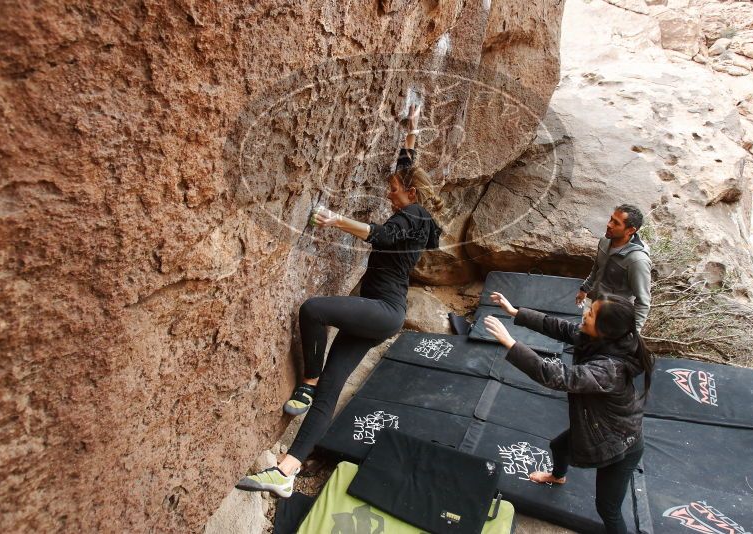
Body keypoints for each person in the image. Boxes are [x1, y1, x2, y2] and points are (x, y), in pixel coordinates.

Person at [235, 104, 443, 497]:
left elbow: (379, 235)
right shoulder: (414, 214)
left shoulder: (415, 216)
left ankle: (307, 381)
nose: (388, 192)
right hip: (378, 316)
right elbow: (408, 168)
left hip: (383, 312)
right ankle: (286, 471)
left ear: (411, 194)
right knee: (332, 392)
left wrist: (335, 220)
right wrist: (411, 132)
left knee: (314, 309)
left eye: (393, 189)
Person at [484, 291, 653, 534]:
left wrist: (511, 343)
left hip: (621, 444)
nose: (584, 314)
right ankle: (558, 476)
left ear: (605, 329)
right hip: (600, 426)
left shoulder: (610, 370)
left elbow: (557, 376)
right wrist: (515, 312)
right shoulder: (598, 337)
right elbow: (560, 327)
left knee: (607, 509)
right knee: (558, 446)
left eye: (591, 313)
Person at [576, 205, 651, 332]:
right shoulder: (605, 241)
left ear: (630, 230)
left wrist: (633, 333)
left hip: (615, 318)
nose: (609, 224)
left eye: (616, 223)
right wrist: (584, 289)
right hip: (596, 308)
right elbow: (596, 269)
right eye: (611, 219)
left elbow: (643, 302)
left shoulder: (637, 260)